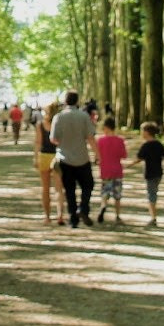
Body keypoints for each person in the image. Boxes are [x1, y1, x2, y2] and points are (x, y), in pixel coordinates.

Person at [50, 90, 97, 228]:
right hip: (82, 158)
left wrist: (64, 141)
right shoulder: (84, 116)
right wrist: (97, 154)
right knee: (88, 185)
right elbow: (90, 137)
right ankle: (83, 208)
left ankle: (73, 219)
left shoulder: (58, 117)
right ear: (77, 101)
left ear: (65, 101)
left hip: (65, 159)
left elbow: (53, 139)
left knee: (69, 190)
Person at [94, 116, 128, 224]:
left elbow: (97, 156)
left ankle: (103, 206)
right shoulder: (120, 140)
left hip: (105, 170)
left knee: (105, 192)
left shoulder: (101, 140)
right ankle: (117, 215)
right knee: (117, 194)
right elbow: (124, 155)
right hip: (117, 170)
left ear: (106, 128)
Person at [34, 104, 63, 225]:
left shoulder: (40, 125)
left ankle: (47, 216)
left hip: (44, 156)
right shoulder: (61, 124)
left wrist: (35, 158)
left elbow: (38, 142)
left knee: (45, 188)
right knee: (59, 189)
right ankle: (60, 215)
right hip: (58, 156)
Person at [137, 121, 164, 227]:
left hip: (149, 173)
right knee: (153, 192)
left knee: (151, 195)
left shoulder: (146, 145)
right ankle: (153, 214)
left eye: (142, 131)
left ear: (147, 132)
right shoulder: (158, 144)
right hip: (159, 173)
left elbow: (139, 158)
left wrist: (127, 166)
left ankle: (153, 217)